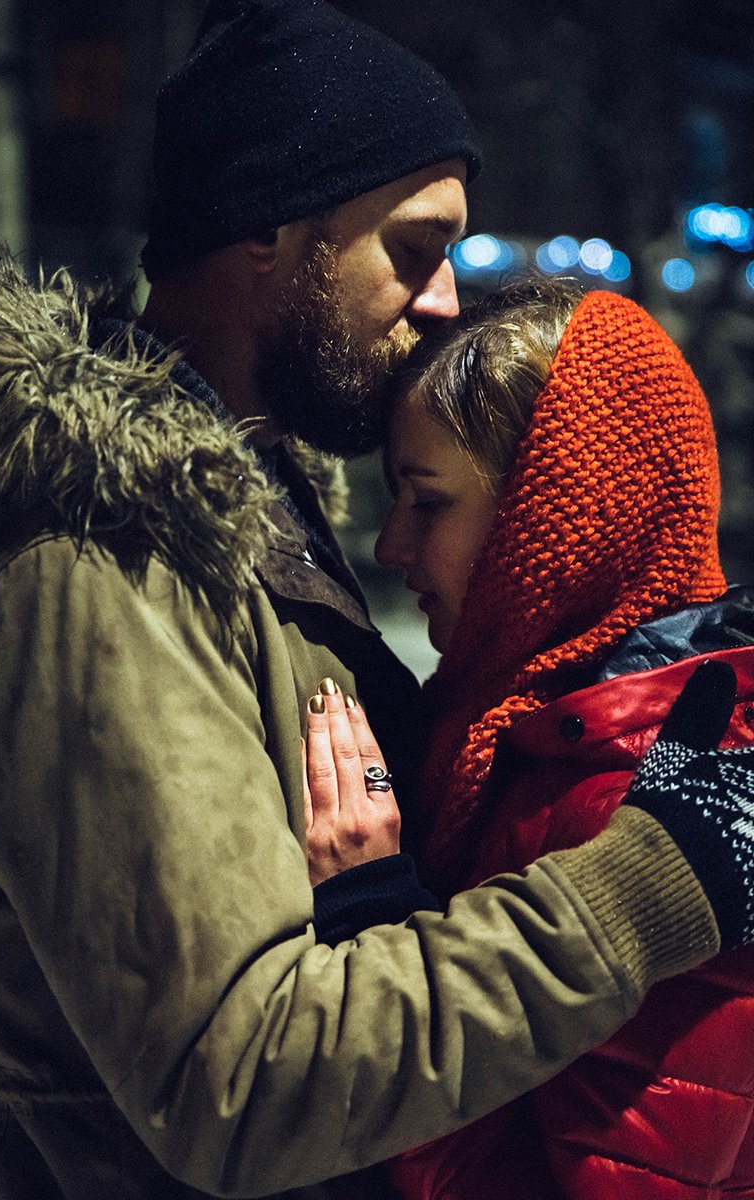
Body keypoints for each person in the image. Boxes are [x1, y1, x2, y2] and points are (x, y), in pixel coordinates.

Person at [0, 1, 752, 1197]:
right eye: (415, 249)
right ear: (271, 229)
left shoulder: (238, 501)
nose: (442, 300)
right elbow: (242, 1084)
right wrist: (638, 891)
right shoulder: (89, 554)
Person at [303, 278, 754, 1197]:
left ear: (556, 518)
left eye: (428, 502)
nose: (391, 545)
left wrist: (377, 931)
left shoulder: (642, 799)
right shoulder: (534, 737)